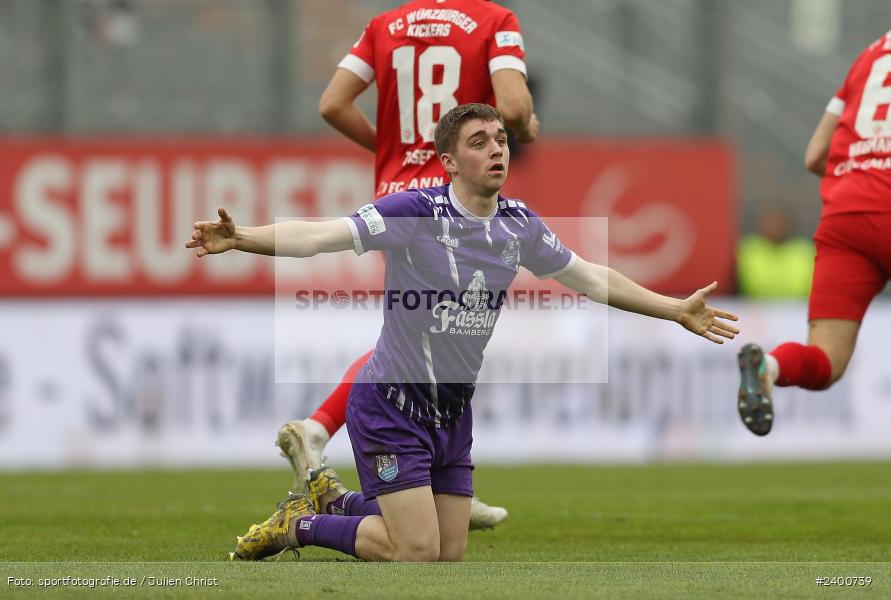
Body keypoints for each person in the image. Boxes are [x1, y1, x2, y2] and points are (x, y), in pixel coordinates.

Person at [187, 103, 739, 562]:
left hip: (452, 412)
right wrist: (245, 238)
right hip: (390, 407)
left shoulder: (519, 226)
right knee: (416, 551)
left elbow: (591, 277)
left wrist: (673, 309)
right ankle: (297, 525)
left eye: (501, 139)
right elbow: (321, 237)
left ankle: (330, 502)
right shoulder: (414, 211)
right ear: (449, 162)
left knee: (448, 553)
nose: (497, 149)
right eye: (480, 142)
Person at [282, 0, 540, 530]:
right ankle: (340, 436)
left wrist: (394, 150)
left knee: (412, 334)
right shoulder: (493, 20)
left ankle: (328, 429)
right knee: (434, 336)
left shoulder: (385, 25)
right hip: (450, 197)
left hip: (397, 195)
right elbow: (511, 107)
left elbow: (333, 104)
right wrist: (528, 125)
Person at [737, 30, 891, 436]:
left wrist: (865, 174)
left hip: (846, 215)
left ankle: (770, 367)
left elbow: (814, 154)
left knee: (826, 360)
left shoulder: (870, 53)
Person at [737, 206, 814, 299]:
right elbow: (751, 284)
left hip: (796, 310)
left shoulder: (804, 251)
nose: (774, 227)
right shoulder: (749, 248)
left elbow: (804, 287)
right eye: (770, 222)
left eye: (779, 222)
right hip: (755, 310)